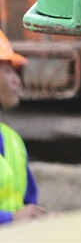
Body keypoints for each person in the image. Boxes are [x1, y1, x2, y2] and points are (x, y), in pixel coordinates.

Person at [0, 31, 47, 223]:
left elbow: (27, 205)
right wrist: (10, 219)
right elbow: (17, 216)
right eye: (8, 71)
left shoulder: (12, 140)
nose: (16, 80)